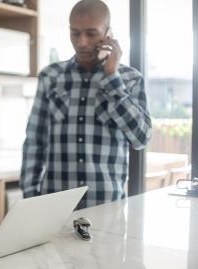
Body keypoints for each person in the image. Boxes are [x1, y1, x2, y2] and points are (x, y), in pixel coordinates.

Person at [20, 0, 152, 208]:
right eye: (75, 33)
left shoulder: (130, 79)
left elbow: (141, 138)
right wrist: (30, 198)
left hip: (107, 210)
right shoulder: (50, 76)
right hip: (54, 210)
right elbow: (35, 142)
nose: (81, 42)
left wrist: (112, 78)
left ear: (108, 33)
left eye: (91, 34)